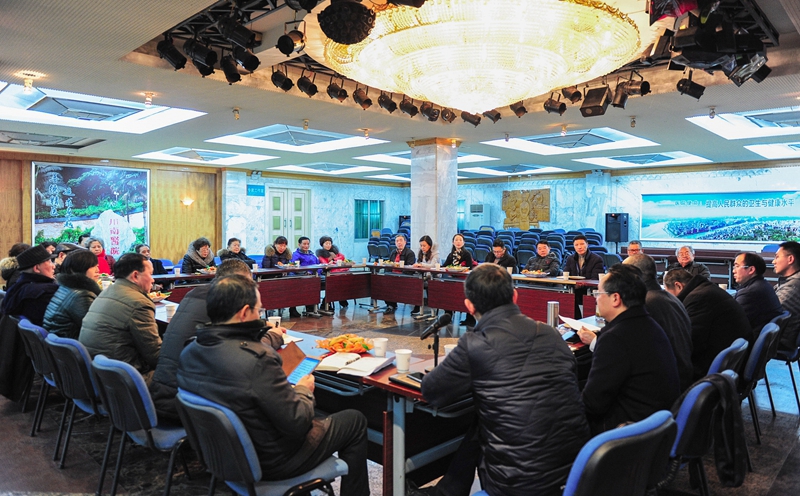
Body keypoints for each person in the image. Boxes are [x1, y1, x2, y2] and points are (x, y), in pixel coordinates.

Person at [177, 275, 370, 495]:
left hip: (224, 458)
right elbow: (298, 423)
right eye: (259, 311)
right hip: (273, 462)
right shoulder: (256, 360)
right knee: (355, 420)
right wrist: (304, 390)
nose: (261, 317)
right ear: (244, 313)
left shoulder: (189, 352)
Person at [421, 264, 589, 496]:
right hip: (576, 473)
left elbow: (431, 391)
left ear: (469, 306)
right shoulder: (550, 333)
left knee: (484, 418)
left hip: (517, 485)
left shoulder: (475, 343)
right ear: (515, 296)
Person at [149, 259, 256, 422]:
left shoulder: (194, 294)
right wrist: (272, 335)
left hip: (164, 393)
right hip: (186, 406)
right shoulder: (224, 303)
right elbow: (244, 347)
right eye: (247, 284)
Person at [580, 264, 680, 434]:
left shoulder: (616, 337)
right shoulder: (648, 323)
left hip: (628, 432)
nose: (596, 299)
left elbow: (593, 404)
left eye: (598, 293)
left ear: (615, 298)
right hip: (657, 425)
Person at [79, 253, 161, 383]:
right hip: (122, 380)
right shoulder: (139, 303)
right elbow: (155, 356)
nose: (153, 280)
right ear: (135, 275)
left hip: (96, 373)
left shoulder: (106, 292)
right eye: (150, 274)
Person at [621, 254, 694, 391]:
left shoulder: (644, 304)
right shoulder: (671, 298)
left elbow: (627, 350)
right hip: (682, 377)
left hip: (663, 386)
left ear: (634, 276)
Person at [664, 268, 751, 380]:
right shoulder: (706, 289)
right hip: (732, 364)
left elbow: (690, 342)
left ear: (678, 286)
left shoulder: (698, 297)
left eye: (668, 294)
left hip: (718, 373)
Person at [43, 250, 101, 339]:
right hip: (69, 343)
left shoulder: (66, 287)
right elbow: (95, 328)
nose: (98, 270)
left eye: (97, 266)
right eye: (93, 267)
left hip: (57, 340)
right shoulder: (81, 295)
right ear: (80, 268)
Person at [1, 244, 59, 326]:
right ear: (36, 268)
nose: (54, 266)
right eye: (49, 261)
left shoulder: (16, 288)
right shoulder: (46, 292)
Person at [733, 252, 783, 341]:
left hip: (745, 343)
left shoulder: (750, 293)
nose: (733, 271)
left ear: (751, 270)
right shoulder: (764, 285)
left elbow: (731, 322)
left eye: (737, 266)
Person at [773, 241, 800, 351]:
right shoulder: (789, 281)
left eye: (777, 257)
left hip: (780, 341)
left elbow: (770, 311)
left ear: (790, 259)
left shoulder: (794, 285)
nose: (773, 261)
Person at [383, 234, 416, 314]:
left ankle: (391, 305)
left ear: (405, 242)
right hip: (392, 276)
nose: (399, 243)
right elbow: (389, 264)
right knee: (383, 283)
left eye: (401, 240)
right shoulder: (393, 252)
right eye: (397, 241)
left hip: (404, 277)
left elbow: (410, 268)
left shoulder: (410, 253)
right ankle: (390, 305)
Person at [316, 235, 348, 310]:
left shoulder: (335, 251)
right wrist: (333, 260)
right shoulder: (321, 254)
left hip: (338, 272)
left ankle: (341, 298)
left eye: (329, 243)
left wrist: (333, 260)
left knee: (345, 280)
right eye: (326, 243)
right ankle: (326, 303)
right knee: (334, 283)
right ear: (322, 244)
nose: (328, 245)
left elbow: (342, 257)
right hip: (327, 273)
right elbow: (324, 263)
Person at [290, 237, 320, 317]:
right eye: (304, 244)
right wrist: (306, 272)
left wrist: (316, 272)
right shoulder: (296, 255)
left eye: (308, 244)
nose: (306, 246)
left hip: (313, 276)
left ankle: (319, 306)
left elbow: (319, 266)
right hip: (300, 277)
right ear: (299, 244)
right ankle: (295, 308)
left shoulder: (312, 255)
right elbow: (294, 267)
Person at [412, 235, 439, 315]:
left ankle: (432, 310)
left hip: (433, 277)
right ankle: (417, 307)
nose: (422, 247)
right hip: (423, 276)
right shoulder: (421, 253)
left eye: (424, 245)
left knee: (425, 283)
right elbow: (418, 263)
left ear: (429, 245)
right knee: (415, 283)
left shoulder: (435, 253)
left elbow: (432, 265)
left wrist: (421, 265)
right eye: (421, 245)